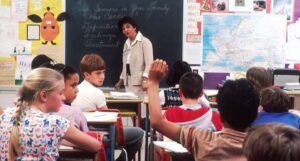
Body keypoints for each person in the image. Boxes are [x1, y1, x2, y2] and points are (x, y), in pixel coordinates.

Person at [147, 59, 260, 161]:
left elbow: (157, 122)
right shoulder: (265, 145)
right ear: (256, 114)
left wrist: (153, 82)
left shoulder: (204, 141)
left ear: (221, 115)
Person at [0, 68, 101, 160]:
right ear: (43, 95)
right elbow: (96, 146)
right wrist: (62, 138)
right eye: (60, 93)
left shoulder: (4, 116)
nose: (64, 98)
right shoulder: (55, 123)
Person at [72, 53, 144, 161]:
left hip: (81, 134)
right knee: (139, 132)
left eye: (103, 72)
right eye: (98, 73)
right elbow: (109, 120)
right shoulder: (96, 92)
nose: (102, 76)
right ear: (87, 75)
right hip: (100, 134)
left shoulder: (76, 89)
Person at [31, 57, 89, 132]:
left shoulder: (32, 111)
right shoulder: (74, 112)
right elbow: (88, 137)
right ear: (59, 85)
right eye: (73, 85)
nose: (77, 90)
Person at [114, 16, 153, 98]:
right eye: (123, 29)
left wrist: (145, 80)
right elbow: (126, 65)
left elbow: (149, 64)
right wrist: (120, 81)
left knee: (140, 109)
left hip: (140, 84)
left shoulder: (145, 42)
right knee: (131, 109)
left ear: (134, 27)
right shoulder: (126, 43)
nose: (125, 30)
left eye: (128, 27)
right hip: (128, 84)